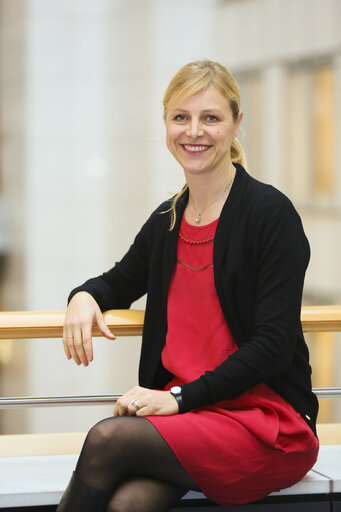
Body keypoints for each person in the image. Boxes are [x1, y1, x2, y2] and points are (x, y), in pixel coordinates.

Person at [57, 60, 319, 512]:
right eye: (181, 117)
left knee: (107, 437)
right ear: (166, 123)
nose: (193, 131)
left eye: (210, 118)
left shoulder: (270, 215)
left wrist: (178, 398)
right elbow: (117, 283)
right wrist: (82, 296)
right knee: (128, 504)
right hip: (192, 415)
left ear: (237, 123)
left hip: (266, 422)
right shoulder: (168, 220)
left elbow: (273, 345)